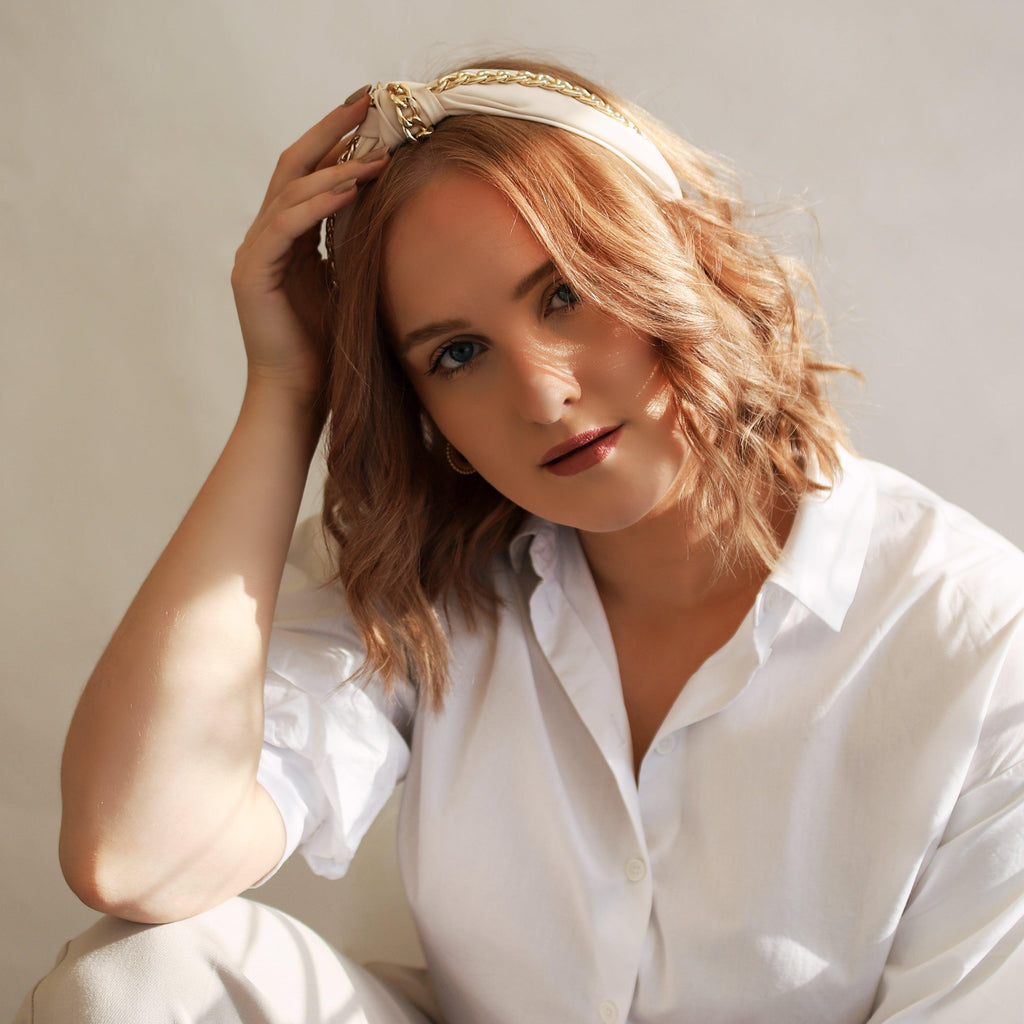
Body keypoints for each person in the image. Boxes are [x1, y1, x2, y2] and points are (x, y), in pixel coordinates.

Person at [16, 58, 1024, 1023]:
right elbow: (135, 854)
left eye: (565, 294)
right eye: (458, 353)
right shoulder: (425, 578)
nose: (541, 394)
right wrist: (286, 390)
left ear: (687, 256)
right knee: (133, 979)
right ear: (428, 414)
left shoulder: (981, 646)